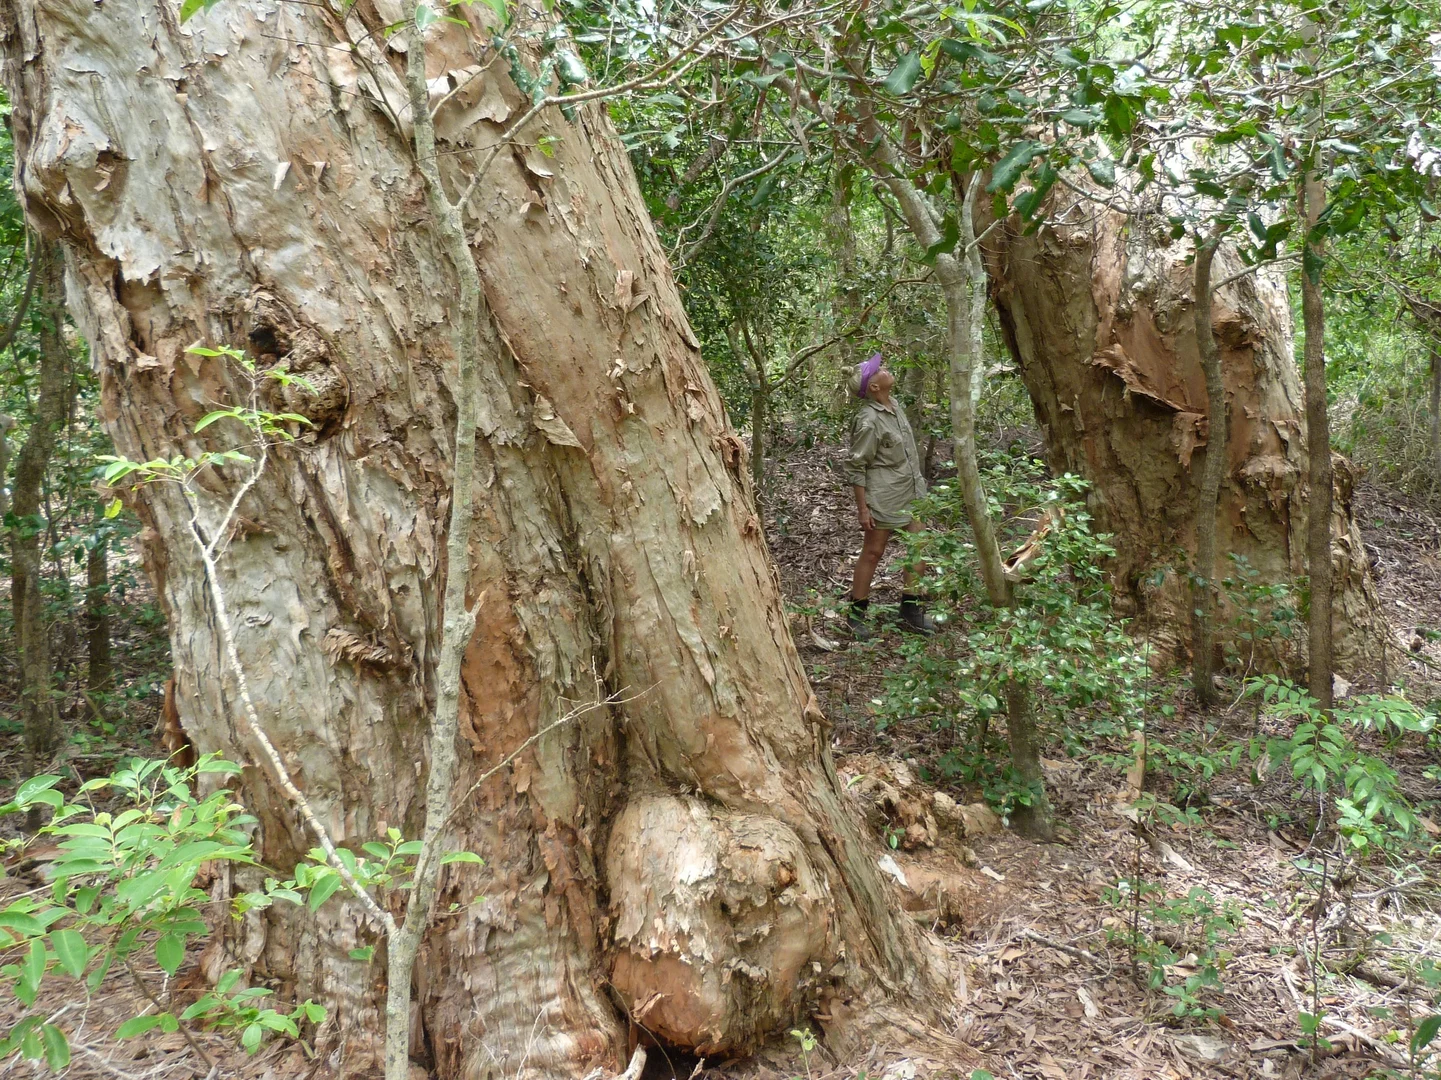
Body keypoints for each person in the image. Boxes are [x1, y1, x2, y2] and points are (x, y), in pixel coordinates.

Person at [842, 354, 937, 638]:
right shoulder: (868, 420)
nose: (883, 369)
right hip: (884, 495)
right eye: (877, 370)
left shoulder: (894, 406)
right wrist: (863, 509)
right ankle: (856, 615)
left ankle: (911, 609)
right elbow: (857, 465)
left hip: (911, 490)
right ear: (873, 387)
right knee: (873, 551)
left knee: (918, 545)